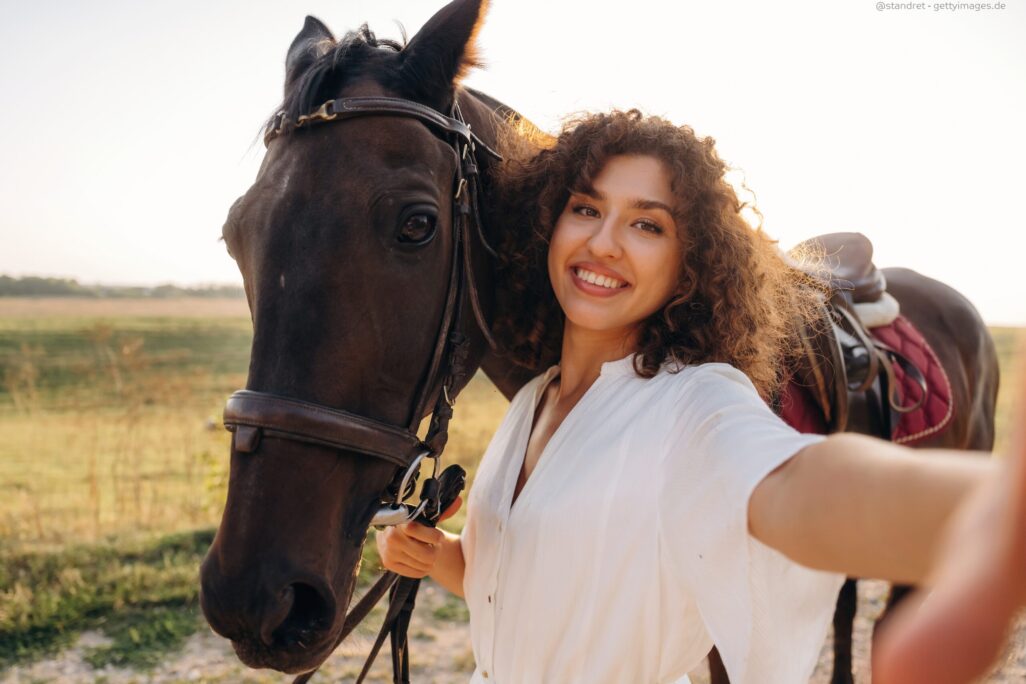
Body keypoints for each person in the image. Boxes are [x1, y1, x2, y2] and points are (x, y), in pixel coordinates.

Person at [376, 109, 1021, 683]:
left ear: (690, 264)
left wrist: (996, 517)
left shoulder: (695, 409)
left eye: (647, 225)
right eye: (587, 208)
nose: (603, 242)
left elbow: (800, 487)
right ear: (550, 222)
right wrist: (442, 556)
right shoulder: (532, 404)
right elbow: (523, 585)